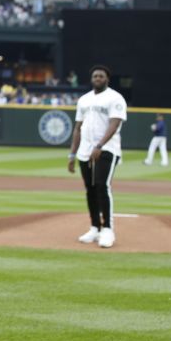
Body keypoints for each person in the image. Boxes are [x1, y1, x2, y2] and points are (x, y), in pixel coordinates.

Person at [67, 65, 127, 248]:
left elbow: (114, 124)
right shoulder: (84, 100)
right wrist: (72, 153)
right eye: (95, 76)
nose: (97, 78)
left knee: (102, 186)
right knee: (90, 189)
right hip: (85, 150)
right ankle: (95, 227)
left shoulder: (115, 98)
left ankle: (108, 230)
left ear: (107, 79)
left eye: (101, 76)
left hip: (108, 148)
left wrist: (100, 145)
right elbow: (78, 127)